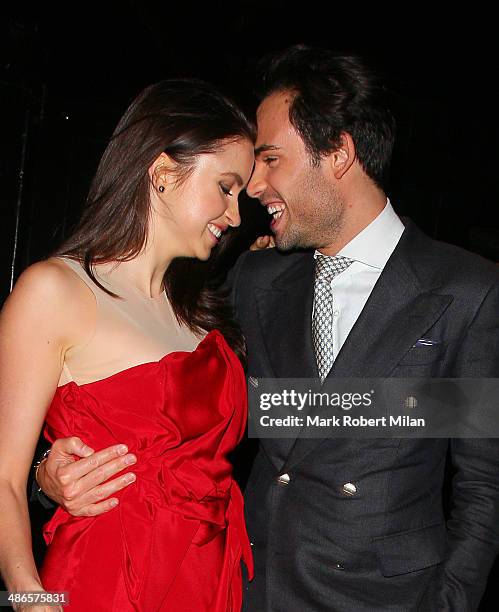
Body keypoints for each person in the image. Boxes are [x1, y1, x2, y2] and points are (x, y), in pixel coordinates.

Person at [35, 46, 499, 611]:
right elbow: (167, 403)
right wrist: (50, 474)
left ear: (339, 154)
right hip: (246, 589)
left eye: (271, 159)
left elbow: (483, 490)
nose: (253, 187)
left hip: (386, 598)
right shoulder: (255, 277)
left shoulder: (466, 291)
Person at [0, 78, 255, 611]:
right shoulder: (55, 291)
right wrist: (29, 598)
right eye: (226, 188)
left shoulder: (202, 317)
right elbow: (2, 476)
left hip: (207, 580)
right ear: (162, 175)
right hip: (110, 579)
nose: (234, 216)